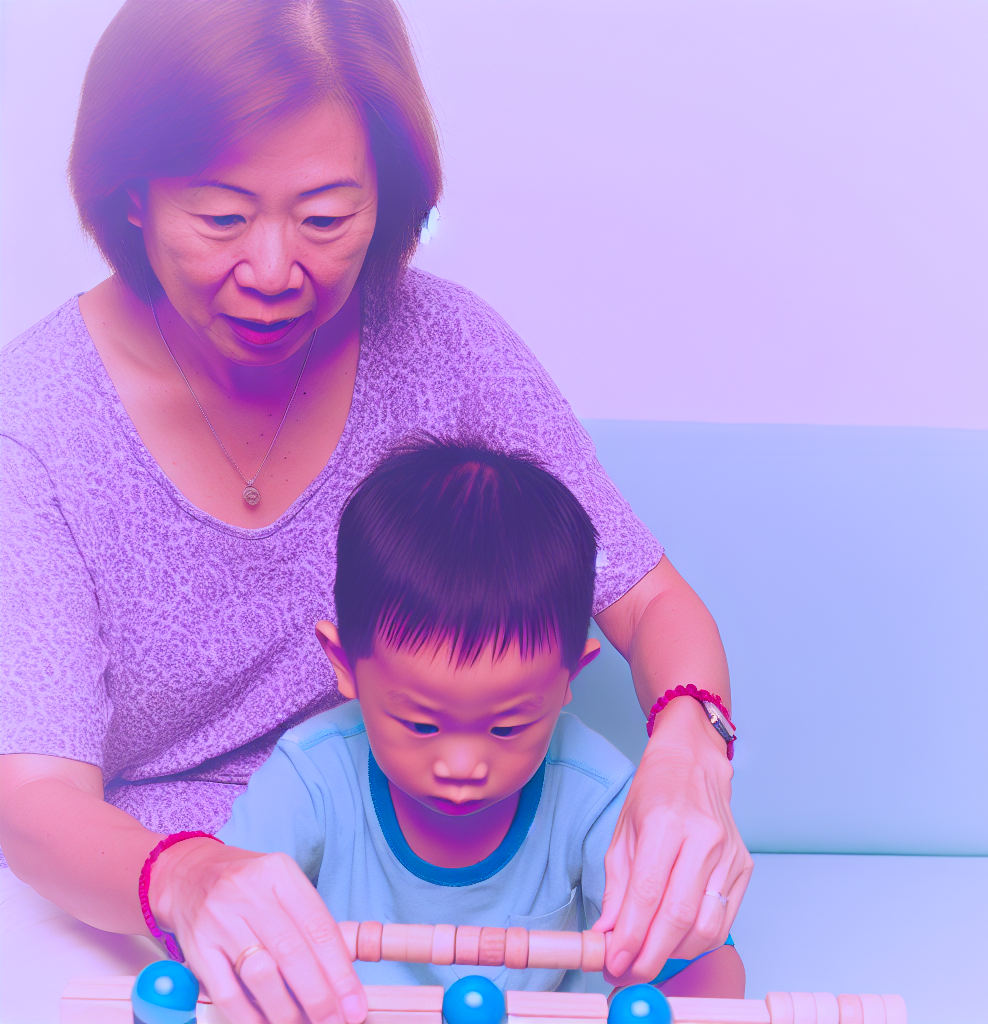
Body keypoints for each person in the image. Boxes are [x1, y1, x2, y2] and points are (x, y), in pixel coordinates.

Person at [0, 2, 751, 1023]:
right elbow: (37, 801)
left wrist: (687, 747)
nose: (273, 271)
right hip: (144, 914)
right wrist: (191, 878)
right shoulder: (37, 422)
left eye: (325, 217)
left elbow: (655, 601)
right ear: (134, 195)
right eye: (222, 217)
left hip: (416, 901)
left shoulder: (448, 344)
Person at [217, 438, 744, 1001]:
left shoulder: (597, 797)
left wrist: (672, 984)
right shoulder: (312, 776)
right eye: (421, 725)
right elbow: (220, 913)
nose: (462, 766)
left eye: (506, 728)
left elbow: (706, 966)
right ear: (345, 664)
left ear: (568, 677)